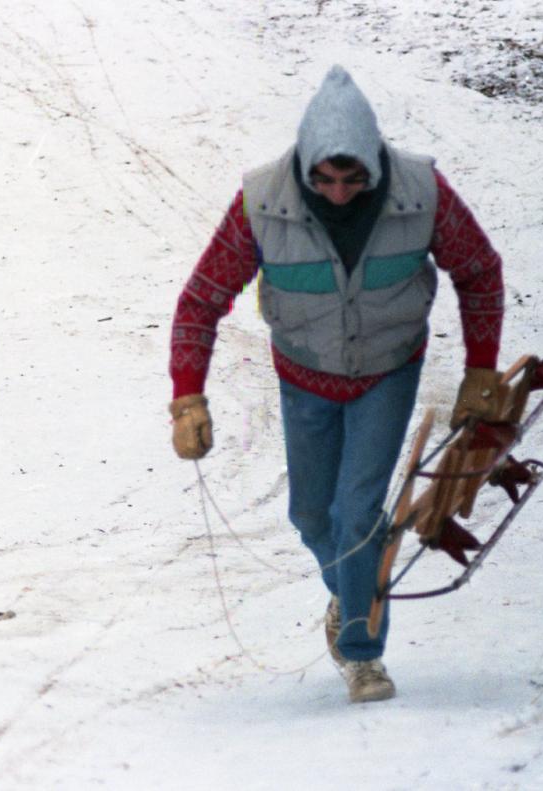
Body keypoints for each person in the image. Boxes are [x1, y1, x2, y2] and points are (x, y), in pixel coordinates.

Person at [167, 66, 505, 703]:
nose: (340, 193)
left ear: (375, 164)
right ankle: (353, 589)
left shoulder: (422, 193)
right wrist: (188, 396)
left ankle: (362, 655)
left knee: (355, 514)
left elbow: (480, 270)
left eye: (353, 180)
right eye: (325, 180)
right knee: (311, 514)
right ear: (304, 168)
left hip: (388, 369)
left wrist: (481, 368)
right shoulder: (262, 203)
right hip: (304, 374)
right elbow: (202, 299)